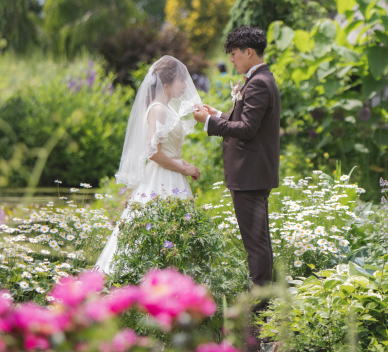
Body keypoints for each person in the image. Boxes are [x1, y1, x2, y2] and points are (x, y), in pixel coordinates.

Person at [193, 26, 281, 312]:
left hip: (250, 176)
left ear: (248, 52)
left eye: (233, 54)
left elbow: (247, 129)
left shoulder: (257, 83)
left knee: (255, 244)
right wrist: (217, 114)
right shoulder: (259, 79)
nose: (231, 59)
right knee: (259, 241)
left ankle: (259, 310)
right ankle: (264, 300)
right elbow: (245, 119)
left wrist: (208, 124)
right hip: (253, 174)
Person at [95, 56, 202, 274]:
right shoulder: (158, 109)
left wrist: (186, 164)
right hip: (162, 178)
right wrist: (183, 168)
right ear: (166, 84)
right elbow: (153, 152)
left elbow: (169, 149)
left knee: (174, 232)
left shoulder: (167, 108)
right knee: (159, 229)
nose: (185, 85)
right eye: (181, 81)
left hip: (173, 175)